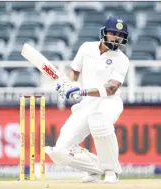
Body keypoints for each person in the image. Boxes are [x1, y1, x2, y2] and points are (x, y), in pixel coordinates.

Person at [44, 16, 129, 183]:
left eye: (120, 35)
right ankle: (95, 168)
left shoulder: (122, 60)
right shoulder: (86, 48)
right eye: (113, 33)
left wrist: (81, 91)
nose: (117, 37)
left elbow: (110, 89)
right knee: (59, 152)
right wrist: (68, 83)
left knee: (99, 121)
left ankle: (112, 170)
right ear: (104, 32)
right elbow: (74, 71)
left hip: (109, 103)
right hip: (87, 104)